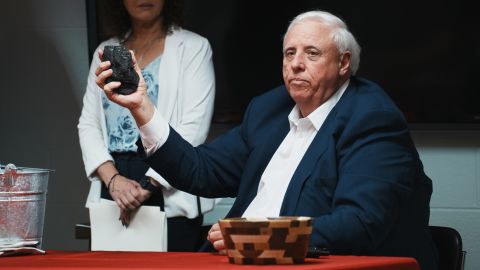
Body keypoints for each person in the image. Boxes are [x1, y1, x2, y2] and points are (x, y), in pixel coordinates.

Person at [95, 9, 438, 270]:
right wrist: (141, 107)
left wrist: (250, 238)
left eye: (312, 53)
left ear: (344, 63)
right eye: (290, 54)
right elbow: (201, 171)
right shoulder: (269, 109)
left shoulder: (371, 117)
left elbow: (359, 224)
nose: (296, 64)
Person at [78, 0, 217, 251]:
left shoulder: (194, 47)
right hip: (112, 184)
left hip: (168, 181)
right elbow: (88, 123)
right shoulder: (105, 50)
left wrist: (147, 186)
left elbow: (193, 127)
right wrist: (114, 181)